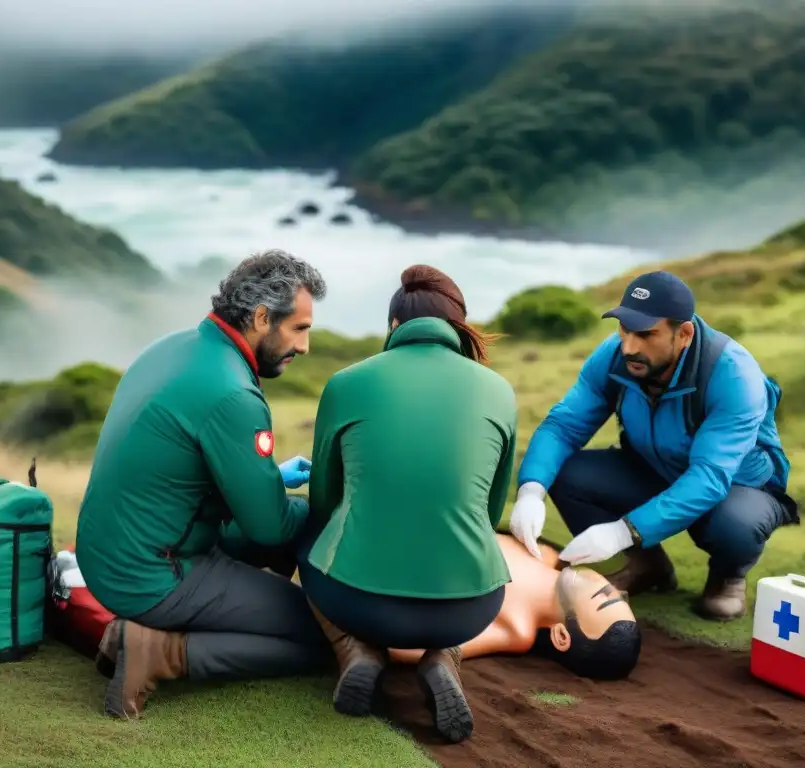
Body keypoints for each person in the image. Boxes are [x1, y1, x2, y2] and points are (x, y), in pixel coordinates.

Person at [77, 249, 334, 719]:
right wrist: (324, 504)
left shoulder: (171, 347)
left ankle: (168, 626)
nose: (304, 347)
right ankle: (160, 651)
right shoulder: (233, 393)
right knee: (320, 635)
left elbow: (181, 470)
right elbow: (270, 528)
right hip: (152, 574)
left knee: (278, 533)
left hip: (106, 554)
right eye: (299, 328)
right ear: (262, 318)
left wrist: (268, 480)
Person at [296, 265, 517, 744]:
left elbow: (324, 500)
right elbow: (490, 512)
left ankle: (356, 649)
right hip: (470, 608)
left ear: (394, 325)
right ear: (459, 327)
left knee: (308, 529)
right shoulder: (499, 391)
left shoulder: (346, 382)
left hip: (358, 604)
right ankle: (444, 656)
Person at [509, 271, 797, 621]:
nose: (629, 346)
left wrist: (623, 531)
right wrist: (531, 491)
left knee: (736, 524)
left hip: (736, 487)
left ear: (684, 334)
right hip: (653, 468)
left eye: (646, 334)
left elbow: (709, 477)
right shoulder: (613, 356)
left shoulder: (733, 375)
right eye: (625, 329)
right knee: (567, 474)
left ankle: (727, 578)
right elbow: (563, 426)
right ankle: (646, 565)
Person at [388, 533, 641, 680]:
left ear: (562, 636)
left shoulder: (519, 628)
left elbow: (423, 650)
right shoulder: (547, 554)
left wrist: (380, 635)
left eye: (603, 599)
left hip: (401, 558)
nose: (606, 585)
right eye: (618, 595)